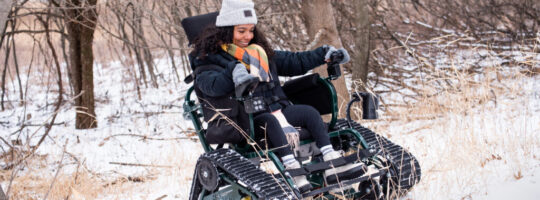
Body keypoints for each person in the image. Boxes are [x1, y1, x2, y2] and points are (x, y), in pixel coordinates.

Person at [190, 0, 365, 192]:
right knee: (269, 123)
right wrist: (232, 71)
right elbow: (211, 86)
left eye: (251, 30)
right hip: (247, 121)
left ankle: (333, 164)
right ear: (226, 30)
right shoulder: (208, 58)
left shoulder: (259, 52)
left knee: (309, 113)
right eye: (241, 31)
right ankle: (293, 171)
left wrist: (324, 54)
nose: (247, 36)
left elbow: (294, 61)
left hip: (277, 110)